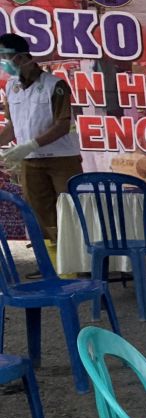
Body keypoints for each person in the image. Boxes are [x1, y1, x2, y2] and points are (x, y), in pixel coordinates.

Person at [0, 32, 82, 262]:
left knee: (69, 211)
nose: (3, 62)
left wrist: (31, 144)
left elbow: (62, 125)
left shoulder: (55, 85)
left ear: (24, 57)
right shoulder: (11, 86)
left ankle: (76, 263)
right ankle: (51, 264)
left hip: (62, 159)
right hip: (30, 162)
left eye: (6, 56)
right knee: (39, 214)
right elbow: (12, 126)